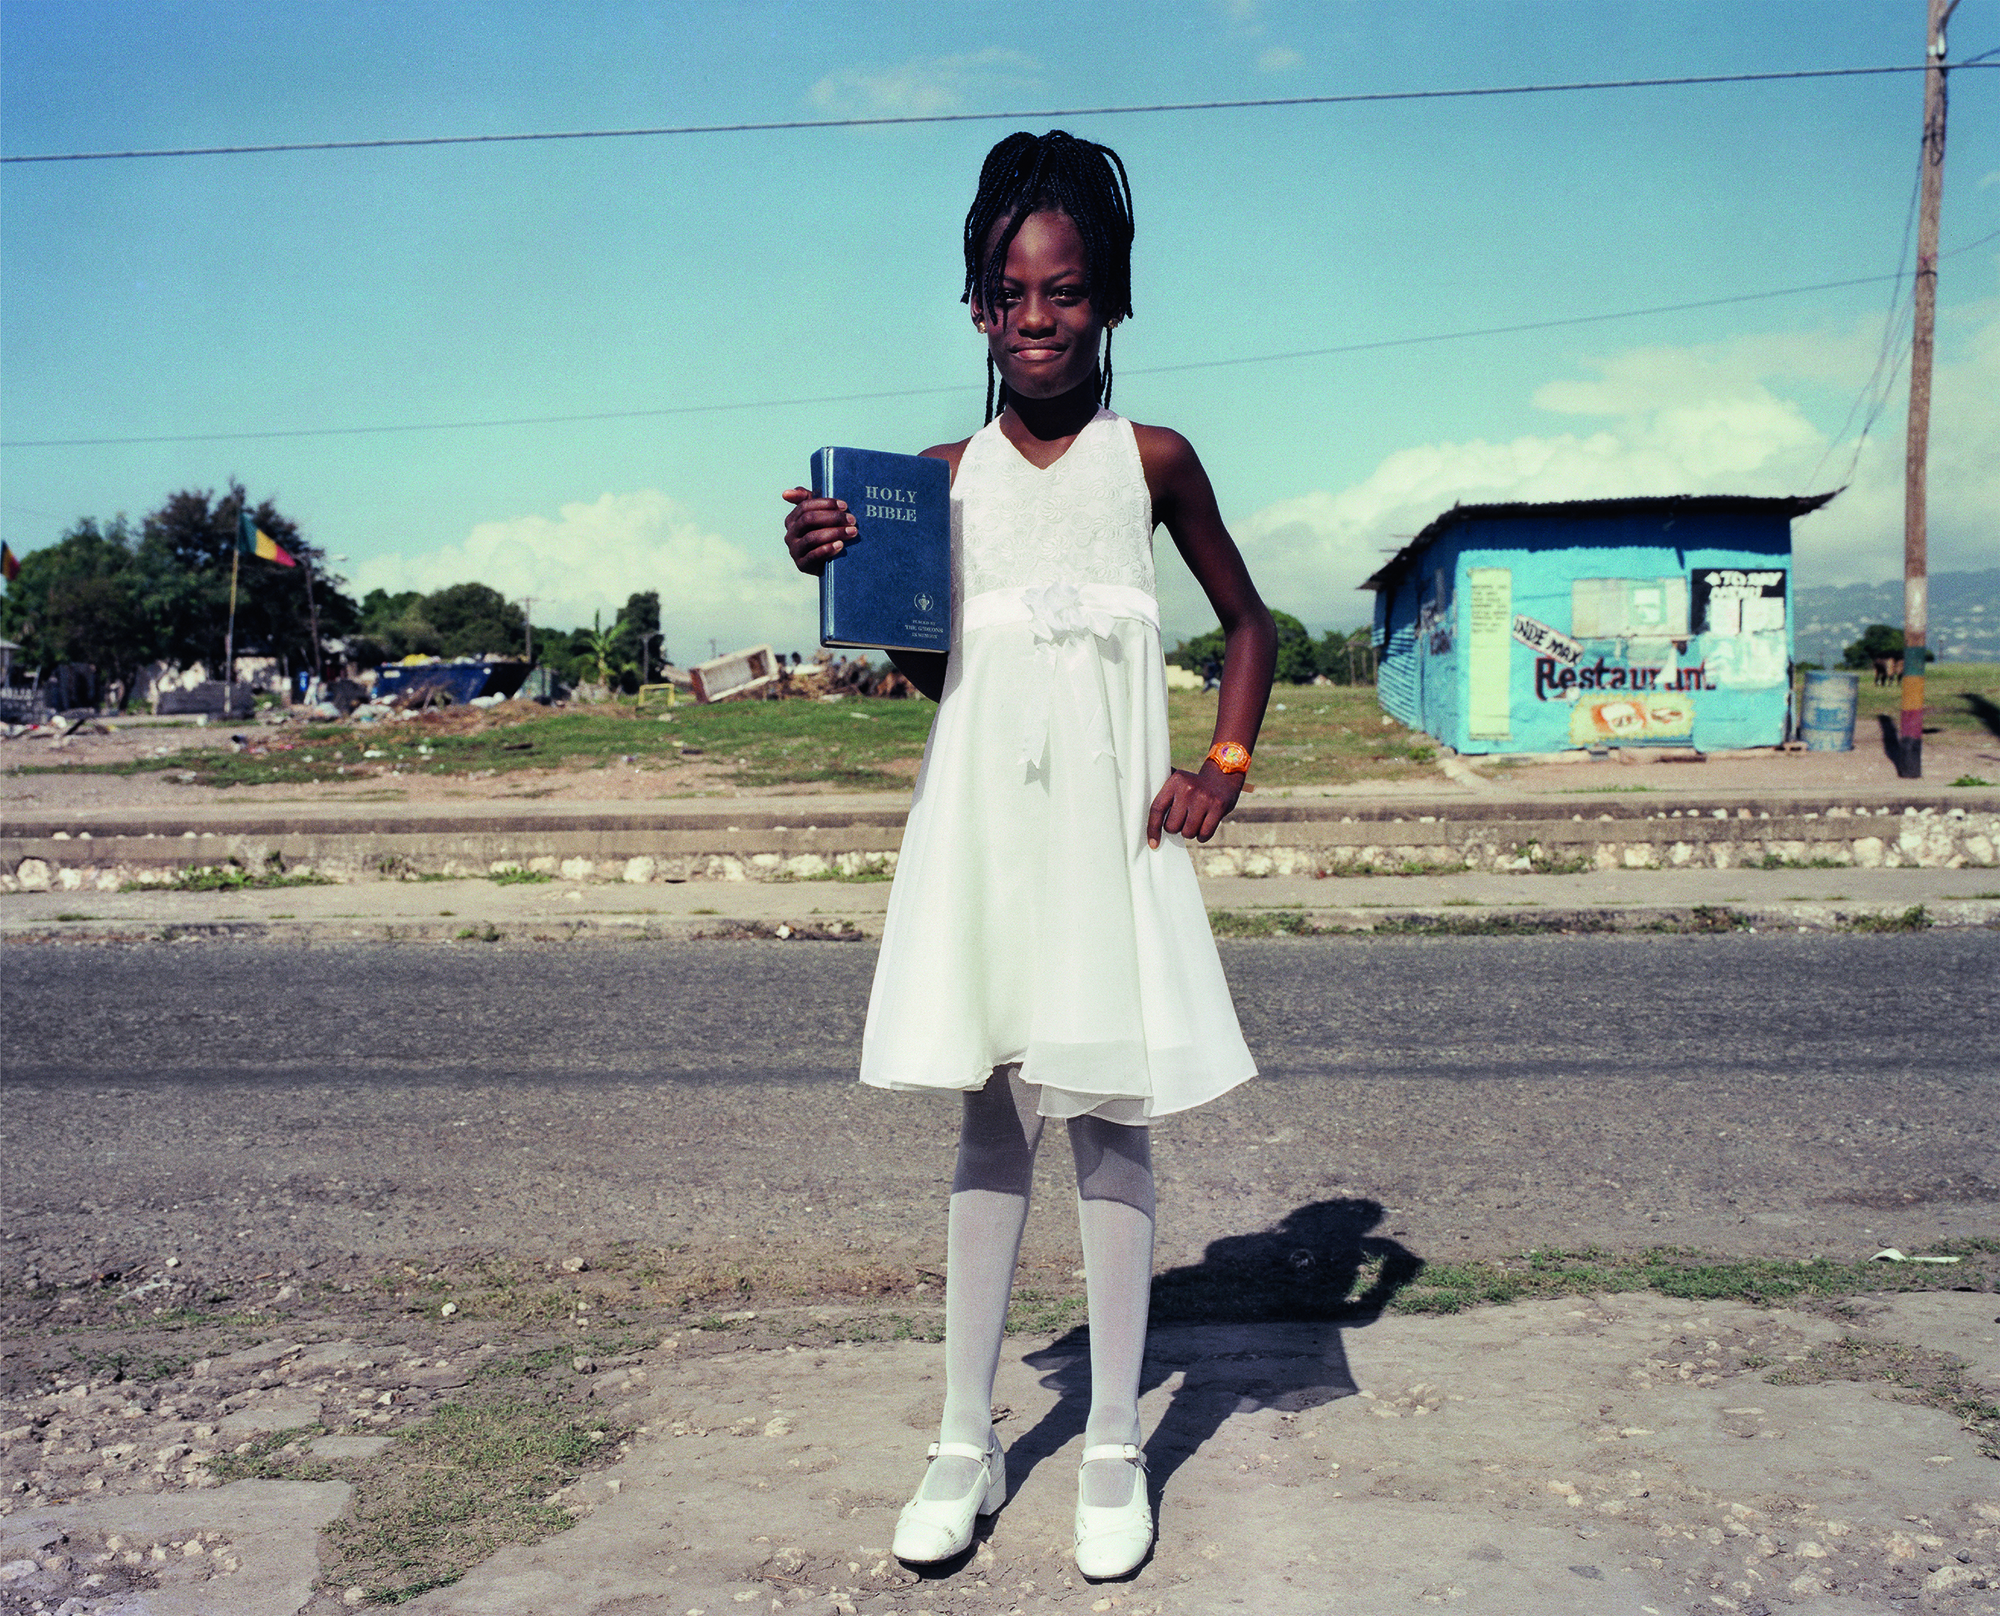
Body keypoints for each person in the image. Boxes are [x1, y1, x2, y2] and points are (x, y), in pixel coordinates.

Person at [781, 129, 1276, 1581]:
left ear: (1110, 298)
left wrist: (1221, 769)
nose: (1039, 317)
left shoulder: (1157, 462)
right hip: (986, 841)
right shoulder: (932, 481)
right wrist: (833, 562)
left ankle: (1114, 1443)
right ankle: (963, 1435)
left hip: (1111, 848)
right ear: (978, 312)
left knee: (1114, 1123)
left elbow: (1252, 627)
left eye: (1065, 290)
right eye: (1011, 293)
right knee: (990, 1121)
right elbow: (933, 670)